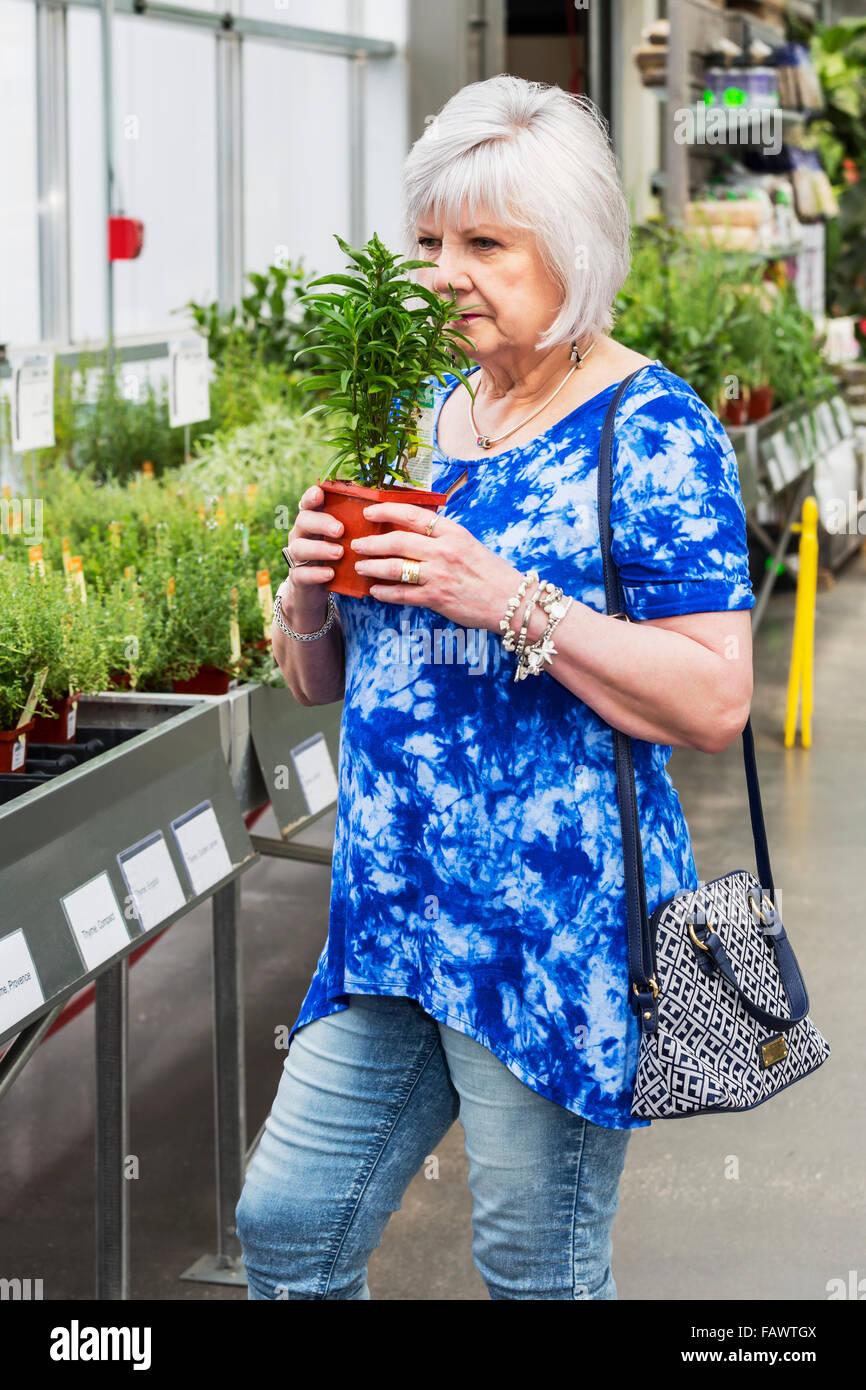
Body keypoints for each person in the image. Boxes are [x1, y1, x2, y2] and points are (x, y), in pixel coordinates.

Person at [235, 74, 755, 1301]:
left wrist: (505, 595)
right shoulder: (417, 418)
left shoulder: (653, 426)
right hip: (390, 923)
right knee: (288, 1229)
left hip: (551, 939)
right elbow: (323, 680)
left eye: (482, 243)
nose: (441, 272)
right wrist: (308, 598)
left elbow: (711, 699)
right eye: (427, 242)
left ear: (568, 250)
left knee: (536, 1271)